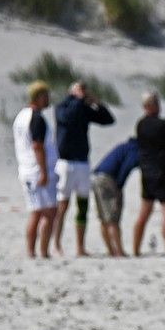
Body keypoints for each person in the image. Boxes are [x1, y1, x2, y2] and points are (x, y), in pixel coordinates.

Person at [53, 81, 115, 256]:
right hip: (65, 163)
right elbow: (68, 117)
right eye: (80, 89)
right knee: (62, 205)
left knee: (83, 206)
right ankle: (56, 243)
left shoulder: (83, 109)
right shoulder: (62, 107)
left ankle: (80, 246)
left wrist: (96, 102)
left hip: (82, 162)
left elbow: (108, 120)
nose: (83, 93)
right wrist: (78, 99)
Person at [133, 92, 165, 256]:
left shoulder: (140, 124)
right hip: (163, 172)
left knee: (144, 212)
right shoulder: (163, 125)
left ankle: (135, 249)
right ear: (152, 106)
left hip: (146, 172)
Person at [13, 81, 58, 259]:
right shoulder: (36, 117)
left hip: (26, 168)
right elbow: (37, 146)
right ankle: (43, 251)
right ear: (39, 97)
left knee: (36, 211)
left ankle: (31, 251)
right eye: (45, 95)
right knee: (48, 212)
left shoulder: (21, 116)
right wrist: (44, 172)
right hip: (37, 170)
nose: (48, 99)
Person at [90, 137, 139, 257]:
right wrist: (119, 186)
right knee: (112, 219)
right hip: (108, 179)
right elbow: (126, 167)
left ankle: (111, 250)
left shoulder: (125, 146)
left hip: (97, 177)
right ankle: (119, 251)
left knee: (104, 218)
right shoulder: (135, 149)